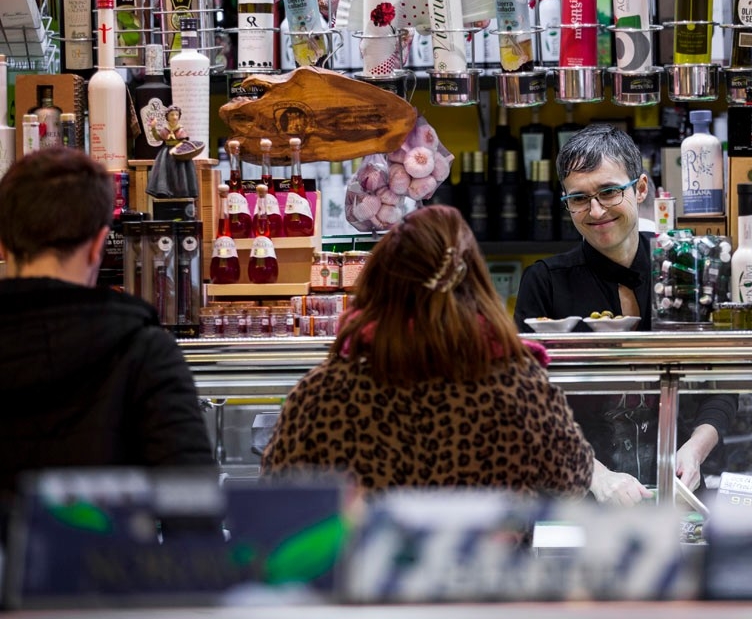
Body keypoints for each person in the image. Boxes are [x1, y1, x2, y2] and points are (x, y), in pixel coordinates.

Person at [261, 204, 594, 496]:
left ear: (378, 283)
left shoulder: (324, 391)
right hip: (480, 568)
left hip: (367, 568)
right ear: (474, 282)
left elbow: (277, 491)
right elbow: (572, 479)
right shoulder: (520, 387)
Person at [514, 124, 736, 506]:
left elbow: (722, 382)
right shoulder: (545, 282)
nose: (595, 211)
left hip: (685, 489)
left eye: (609, 192)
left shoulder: (689, 267)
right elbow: (526, 402)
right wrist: (594, 474)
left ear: (641, 189)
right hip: (581, 496)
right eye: (579, 199)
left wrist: (695, 450)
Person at [0, 149, 214, 511]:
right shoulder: (146, 351)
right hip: (107, 565)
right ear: (99, 244)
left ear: (3, 245)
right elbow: (194, 511)